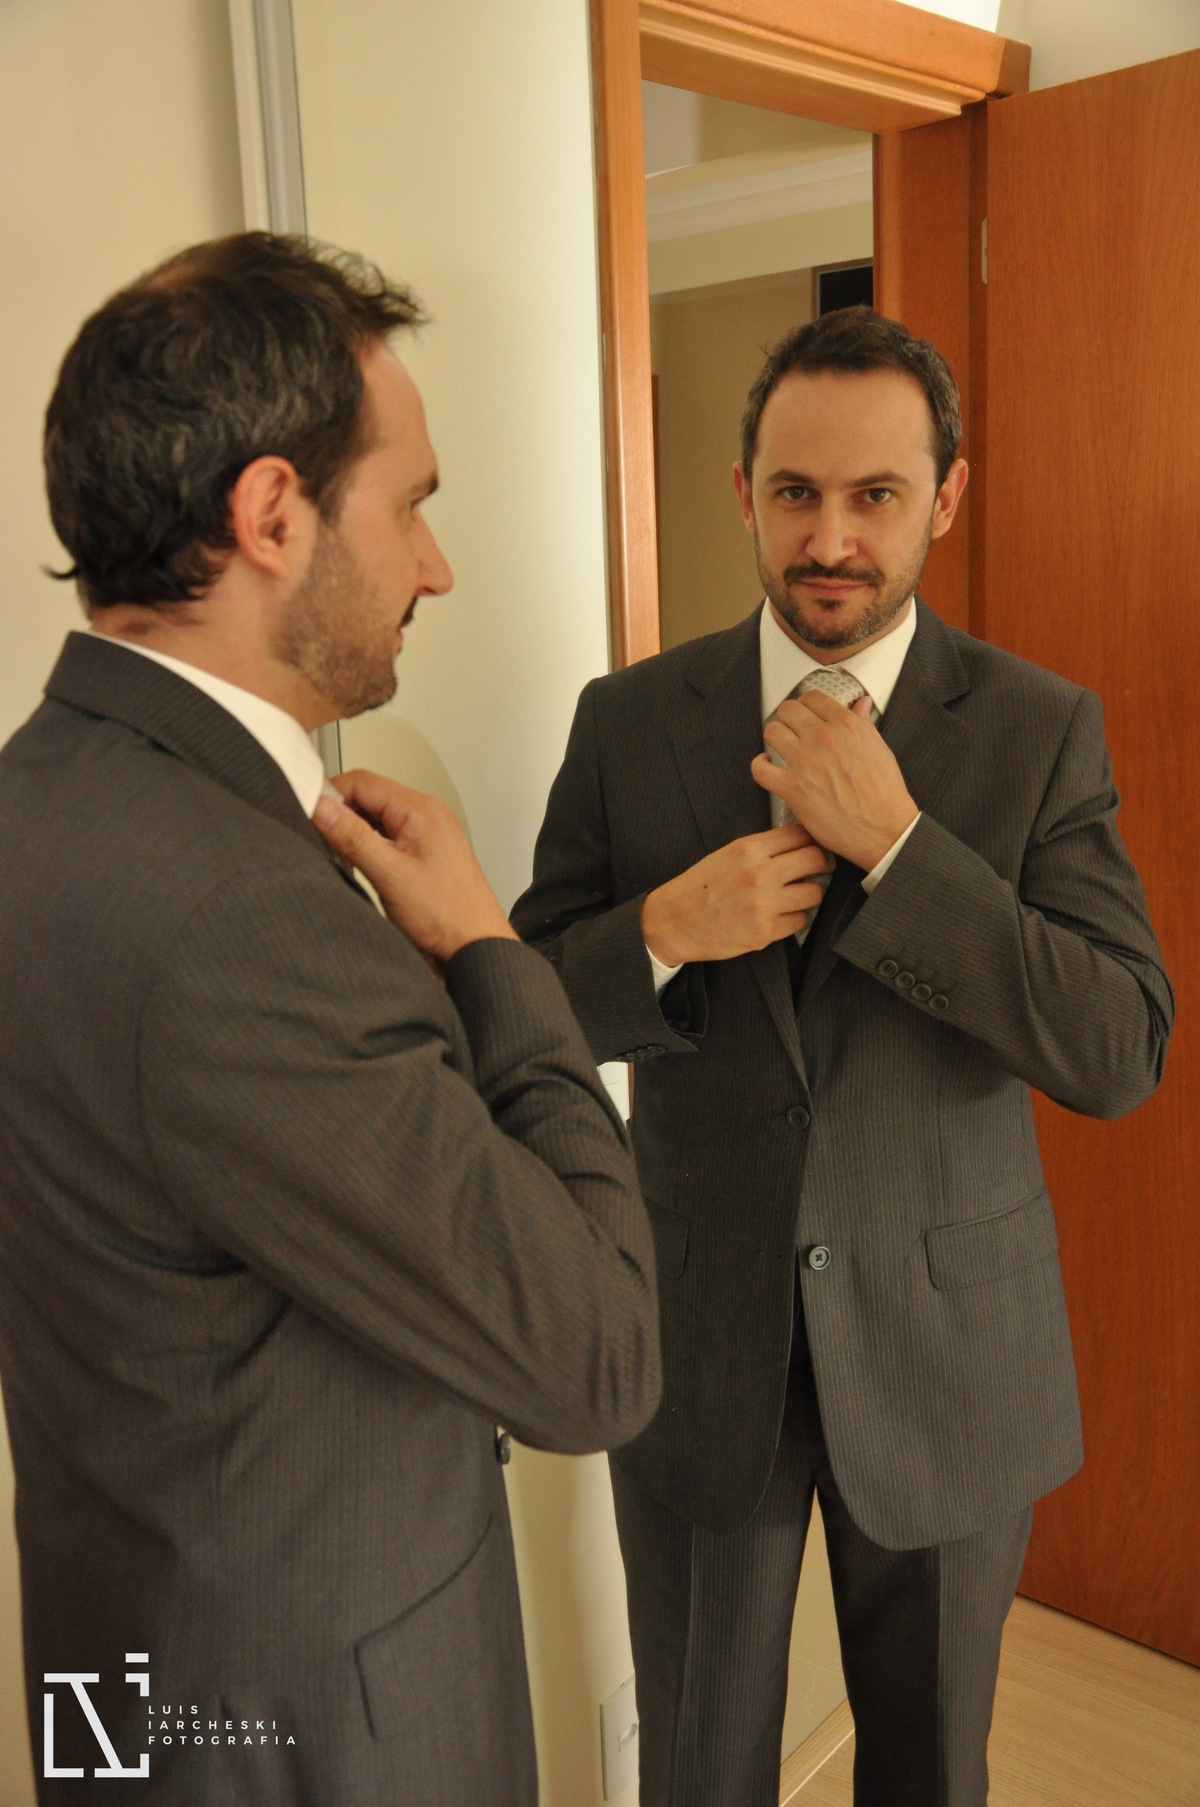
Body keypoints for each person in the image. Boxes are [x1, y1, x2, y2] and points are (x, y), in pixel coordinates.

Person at [0, 232, 661, 1806]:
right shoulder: (244, 920)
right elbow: (596, 1353)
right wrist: (492, 950)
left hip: (126, 1666)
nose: (436, 566)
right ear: (273, 515)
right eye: (411, 503)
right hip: (315, 1725)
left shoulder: (34, 802)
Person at [510, 306, 1173, 1807]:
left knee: (931, 1770)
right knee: (698, 1767)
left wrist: (905, 849)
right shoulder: (627, 723)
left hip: (952, 1357)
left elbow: (1118, 1043)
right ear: (741, 492)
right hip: (698, 1348)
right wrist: (663, 933)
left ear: (945, 496)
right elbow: (525, 1009)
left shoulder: (1038, 731)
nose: (830, 540)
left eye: (876, 494)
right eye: (795, 492)